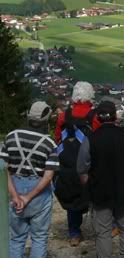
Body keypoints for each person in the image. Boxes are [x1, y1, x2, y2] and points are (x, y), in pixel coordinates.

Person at [77, 100, 124, 258]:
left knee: (103, 233)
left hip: (100, 192)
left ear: (98, 118)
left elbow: (81, 169)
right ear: (115, 116)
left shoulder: (90, 139)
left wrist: (89, 186)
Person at [1, 101, 59, 258]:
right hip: (38, 190)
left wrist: (14, 195)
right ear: (46, 119)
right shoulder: (49, 143)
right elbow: (49, 176)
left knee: (17, 238)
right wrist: (28, 197)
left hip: (14, 185)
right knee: (39, 238)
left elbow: (4, 168)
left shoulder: (11, 136)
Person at [55, 81, 100, 246]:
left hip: (67, 163)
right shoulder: (95, 117)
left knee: (72, 194)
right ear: (90, 95)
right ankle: (102, 228)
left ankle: (74, 233)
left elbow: (57, 138)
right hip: (89, 163)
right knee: (96, 194)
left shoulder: (63, 116)